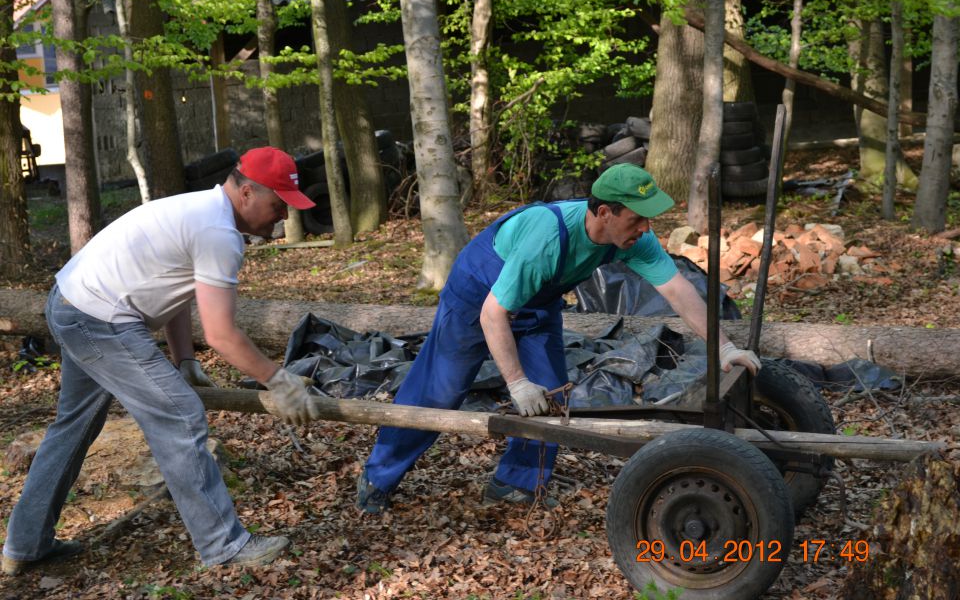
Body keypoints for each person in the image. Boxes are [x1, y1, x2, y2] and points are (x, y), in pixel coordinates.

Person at [356, 163, 760, 513]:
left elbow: (679, 291)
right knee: (439, 392)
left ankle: (515, 484)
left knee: (550, 393)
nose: (646, 228)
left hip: (536, 303)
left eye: (647, 220)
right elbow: (493, 313)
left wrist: (723, 347)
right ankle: (378, 477)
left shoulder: (633, 240)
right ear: (605, 212)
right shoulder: (546, 241)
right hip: (478, 294)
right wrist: (516, 383)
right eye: (637, 219)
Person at [2, 147, 322, 576]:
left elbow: (174, 290)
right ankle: (224, 545)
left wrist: (184, 359)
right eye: (278, 205)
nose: (282, 217)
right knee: (181, 418)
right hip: (99, 319)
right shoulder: (218, 232)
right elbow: (223, 335)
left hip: (70, 302)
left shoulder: (198, 209)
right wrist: (279, 381)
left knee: (74, 426)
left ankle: (25, 544)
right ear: (247, 192)